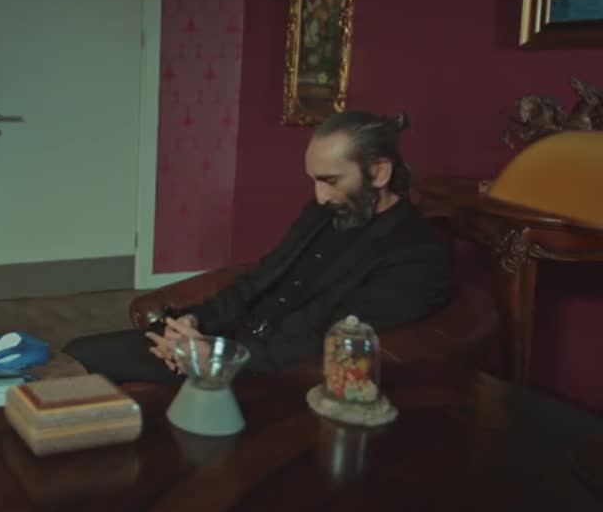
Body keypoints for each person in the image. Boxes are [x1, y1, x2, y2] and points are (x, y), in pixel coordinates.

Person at [64, 110, 451, 382]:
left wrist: (216, 359)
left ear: (379, 172)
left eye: (330, 180)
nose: (319, 196)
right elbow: (258, 279)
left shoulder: (416, 254)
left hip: (263, 373)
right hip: (225, 341)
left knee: (86, 364)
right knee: (75, 352)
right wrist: (191, 323)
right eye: (314, 180)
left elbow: (333, 344)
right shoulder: (323, 213)